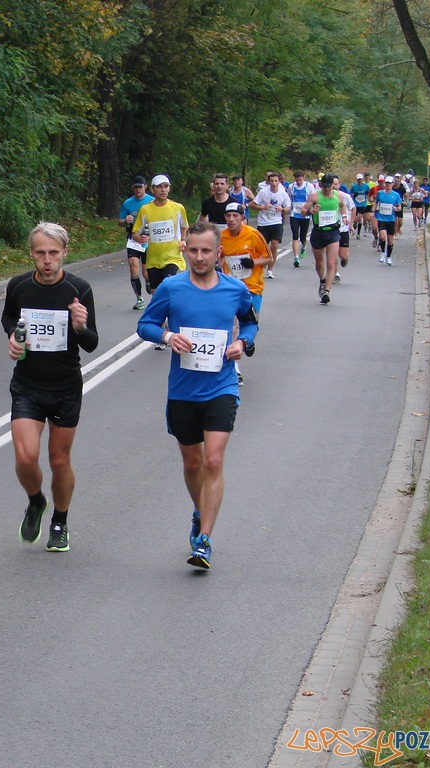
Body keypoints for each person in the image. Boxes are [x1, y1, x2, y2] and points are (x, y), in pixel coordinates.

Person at [136, 221, 258, 570]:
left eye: (206, 251)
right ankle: (199, 510)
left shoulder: (235, 290)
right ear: (184, 250)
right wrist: (167, 337)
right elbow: (145, 324)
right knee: (192, 463)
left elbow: (250, 323)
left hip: (221, 386)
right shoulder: (172, 289)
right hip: (183, 391)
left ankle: (204, 540)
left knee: (213, 461)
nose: (200, 257)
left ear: (218, 253)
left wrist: (242, 343)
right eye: (193, 250)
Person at [3, 222, 99, 553]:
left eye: (53, 253)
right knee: (25, 456)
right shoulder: (18, 286)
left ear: (65, 253)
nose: (47, 260)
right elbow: (9, 320)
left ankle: (60, 519)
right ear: (31, 253)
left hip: (65, 387)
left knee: (59, 461)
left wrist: (81, 326)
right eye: (40, 253)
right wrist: (13, 340)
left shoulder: (79, 289)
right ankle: (35, 501)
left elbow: (91, 343)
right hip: (28, 384)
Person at [131, 175, 190, 349]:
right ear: (152, 189)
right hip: (153, 259)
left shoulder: (177, 207)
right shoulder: (146, 210)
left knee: (169, 287)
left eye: (166, 186)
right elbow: (135, 231)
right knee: (158, 295)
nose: (163, 190)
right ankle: (164, 331)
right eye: (159, 187)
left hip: (173, 256)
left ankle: (169, 329)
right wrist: (139, 238)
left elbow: (184, 225)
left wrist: (183, 240)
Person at [219, 202, 269, 384]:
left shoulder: (254, 235)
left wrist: (253, 263)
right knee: (231, 327)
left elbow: (269, 258)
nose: (231, 219)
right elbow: (219, 256)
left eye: (235, 216)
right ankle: (235, 369)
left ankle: (248, 340)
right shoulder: (221, 237)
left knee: (250, 325)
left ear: (242, 217)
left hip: (252, 288)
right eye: (228, 216)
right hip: (230, 289)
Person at [301, 174, 348, 304]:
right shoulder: (315, 196)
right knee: (319, 263)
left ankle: (326, 291)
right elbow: (303, 211)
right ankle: (322, 280)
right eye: (324, 186)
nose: (326, 189)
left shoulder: (338, 196)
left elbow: (343, 205)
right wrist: (311, 211)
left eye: (329, 186)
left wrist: (344, 216)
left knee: (331, 263)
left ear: (332, 185)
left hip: (333, 232)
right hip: (318, 232)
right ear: (321, 185)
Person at [118, 175, 155, 310]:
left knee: (146, 273)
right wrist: (125, 220)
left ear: (145, 187)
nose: (138, 190)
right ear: (132, 188)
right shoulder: (128, 203)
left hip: (148, 239)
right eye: (136, 187)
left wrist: (151, 236)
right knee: (133, 267)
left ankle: (149, 282)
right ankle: (139, 298)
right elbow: (120, 222)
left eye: (140, 187)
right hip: (133, 240)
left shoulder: (152, 201)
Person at [251, 171, 291, 279]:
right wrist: (263, 207)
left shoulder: (283, 193)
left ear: (279, 182)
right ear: (268, 182)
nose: (273, 183)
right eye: (271, 181)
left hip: (276, 222)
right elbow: (253, 205)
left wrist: (282, 209)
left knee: (274, 245)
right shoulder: (263, 192)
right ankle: (261, 265)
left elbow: (288, 207)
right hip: (263, 223)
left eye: (276, 181)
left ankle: (270, 269)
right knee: (262, 247)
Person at [287, 170, 315, 267]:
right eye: (297, 180)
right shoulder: (291, 187)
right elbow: (289, 198)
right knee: (295, 236)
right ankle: (296, 258)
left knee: (303, 237)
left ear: (303, 177)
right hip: (294, 214)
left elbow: (314, 199)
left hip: (305, 215)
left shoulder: (309, 187)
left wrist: (310, 209)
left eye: (300, 180)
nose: (298, 182)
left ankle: (304, 245)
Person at [374, 176, 404, 265]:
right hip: (381, 218)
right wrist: (373, 210)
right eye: (386, 183)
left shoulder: (396, 195)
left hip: (391, 219)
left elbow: (399, 206)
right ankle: (383, 253)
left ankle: (389, 257)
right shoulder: (380, 193)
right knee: (382, 237)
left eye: (390, 183)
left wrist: (397, 208)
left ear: (393, 184)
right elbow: (376, 202)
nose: (388, 185)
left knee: (390, 240)